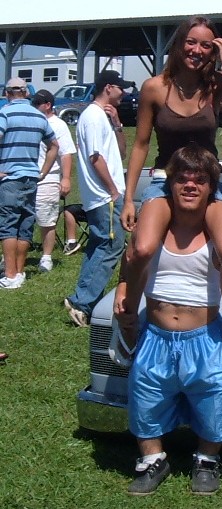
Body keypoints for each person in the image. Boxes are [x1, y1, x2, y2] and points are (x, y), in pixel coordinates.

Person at [116, 16, 222, 373]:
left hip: (208, 182)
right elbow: (140, 144)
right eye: (191, 42)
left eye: (206, 45)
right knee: (142, 248)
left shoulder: (217, 86)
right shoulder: (154, 88)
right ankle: (127, 318)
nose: (197, 50)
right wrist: (129, 198)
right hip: (165, 179)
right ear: (179, 44)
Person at [115, 144, 222, 496]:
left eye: (200, 180)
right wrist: (123, 291)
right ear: (170, 184)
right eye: (183, 180)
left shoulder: (216, 230)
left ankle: (207, 459)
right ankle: (152, 459)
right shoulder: (156, 225)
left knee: (214, 395)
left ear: (211, 188)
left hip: (203, 336)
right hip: (156, 334)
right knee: (146, 396)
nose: (190, 186)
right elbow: (131, 257)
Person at [64, 70, 133, 326]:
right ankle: (82, 302)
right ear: (108, 88)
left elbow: (121, 154)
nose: (124, 93)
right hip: (105, 195)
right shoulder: (92, 117)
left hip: (105, 195)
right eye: (120, 88)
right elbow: (96, 158)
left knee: (99, 245)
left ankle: (83, 299)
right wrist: (113, 190)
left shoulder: (103, 117)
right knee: (111, 246)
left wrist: (117, 124)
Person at [0, 78, 59, 289]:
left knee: (8, 226)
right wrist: (43, 171)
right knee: (25, 225)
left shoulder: (5, 113)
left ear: (7, 93)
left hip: (10, 178)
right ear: (26, 93)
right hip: (32, 178)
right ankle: (19, 271)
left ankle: (9, 275)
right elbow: (54, 145)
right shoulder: (39, 116)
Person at [31, 89, 77, 272]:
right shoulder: (31, 121)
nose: (34, 106)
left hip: (49, 177)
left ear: (48, 105)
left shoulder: (58, 125)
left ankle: (46, 257)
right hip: (27, 176)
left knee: (47, 220)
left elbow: (66, 154)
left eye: (37, 104)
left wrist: (65, 178)